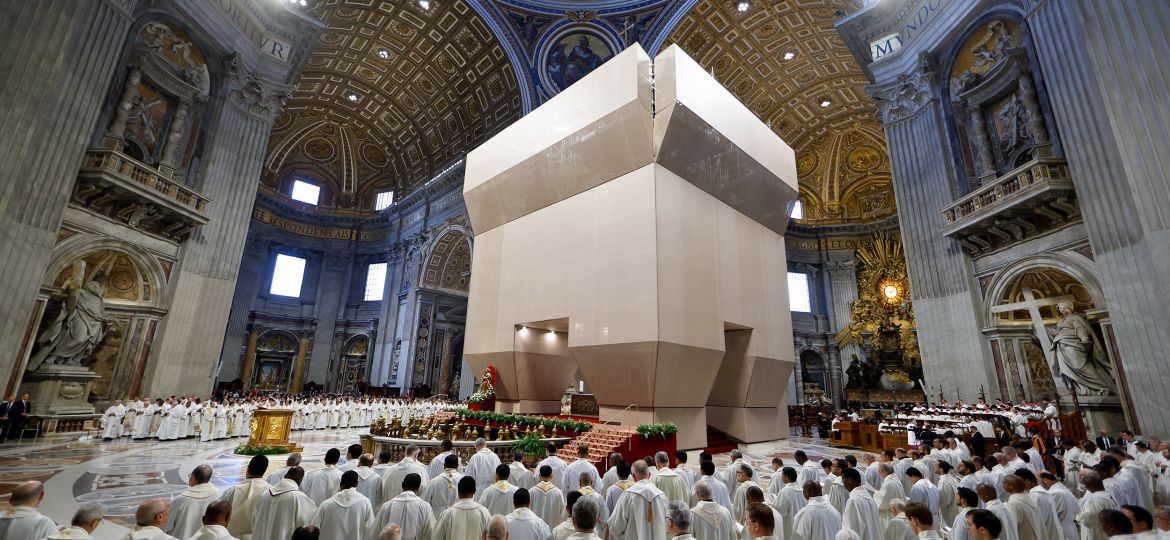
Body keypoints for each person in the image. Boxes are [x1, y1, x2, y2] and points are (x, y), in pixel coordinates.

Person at [607, 459, 669, 540]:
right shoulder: (661, 495)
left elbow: (615, 527)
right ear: (649, 475)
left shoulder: (628, 495)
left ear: (633, 476)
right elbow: (668, 525)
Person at [251, 466, 316, 540]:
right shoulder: (298, 497)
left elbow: (254, 520)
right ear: (300, 480)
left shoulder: (265, 494)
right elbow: (309, 525)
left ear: (285, 476)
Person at [310, 470, 373, 540]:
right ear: (357, 484)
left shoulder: (326, 504)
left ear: (340, 484)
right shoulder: (365, 503)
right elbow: (370, 529)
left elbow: (313, 528)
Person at [218, 455, 270, 540]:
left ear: (247, 470)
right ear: (263, 472)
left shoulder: (233, 490)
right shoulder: (270, 491)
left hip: (231, 536)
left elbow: (219, 513)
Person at [374, 472, 434, 540]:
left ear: (402, 485)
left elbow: (375, 532)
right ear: (418, 488)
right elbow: (431, 532)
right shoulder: (425, 507)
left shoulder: (387, 506)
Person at [165, 464, 220, 538]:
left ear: (193, 477)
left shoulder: (181, 500)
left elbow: (167, 525)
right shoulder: (217, 494)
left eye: (190, 475)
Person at [840, 469, 880, 540]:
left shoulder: (853, 500)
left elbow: (851, 530)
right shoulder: (869, 498)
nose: (843, 484)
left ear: (850, 480)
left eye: (843, 481)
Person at [1003, 475, 1044, 540]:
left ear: (1011, 486)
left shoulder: (1014, 503)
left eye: (1004, 482)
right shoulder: (1027, 498)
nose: (1002, 484)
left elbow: (1013, 526)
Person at [772, 467, 807, 540]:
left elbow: (780, 512)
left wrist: (772, 505)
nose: (781, 477)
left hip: (789, 524)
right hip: (801, 525)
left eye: (782, 475)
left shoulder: (785, 492)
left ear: (787, 477)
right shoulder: (801, 490)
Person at [575, 472, 608, 536]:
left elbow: (567, 515)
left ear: (579, 482)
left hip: (577, 532)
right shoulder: (598, 497)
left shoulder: (574, 496)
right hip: (594, 532)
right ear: (591, 482)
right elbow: (604, 518)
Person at [875, 463, 905, 529]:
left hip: (888, 516)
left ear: (885, 472)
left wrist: (875, 494)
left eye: (879, 471)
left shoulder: (888, 483)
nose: (879, 473)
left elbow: (883, 503)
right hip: (896, 513)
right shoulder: (896, 480)